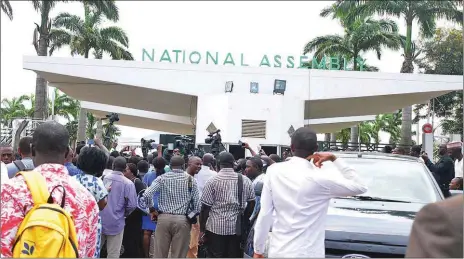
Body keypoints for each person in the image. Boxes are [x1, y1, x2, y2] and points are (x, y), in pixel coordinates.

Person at [253, 127, 368, 258]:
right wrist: (334, 158)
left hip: (280, 252)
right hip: (308, 253)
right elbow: (360, 186)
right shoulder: (321, 178)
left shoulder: (273, 171)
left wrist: (258, 250)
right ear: (316, 148)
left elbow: (265, 214)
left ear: (291, 147)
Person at [0, 121, 99, 258]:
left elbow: (3, 248)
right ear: (67, 153)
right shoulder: (87, 199)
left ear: (33, 150)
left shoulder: (11, 191)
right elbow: (89, 254)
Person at [199, 152, 256, 258]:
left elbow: (205, 208)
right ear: (233, 164)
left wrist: (202, 229)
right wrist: (245, 218)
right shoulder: (245, 180)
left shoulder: (212, 181)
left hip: (215, 228)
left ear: (218, 163)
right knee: (234, 255)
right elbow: (252, 203)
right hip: (237, 228)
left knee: (216, 255)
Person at [143, 155, 201, 258]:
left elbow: (147, 194)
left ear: (169, 166)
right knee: (178, 255)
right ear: (183, 166)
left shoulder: (162, 178)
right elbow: (197, 206)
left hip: (163, 219)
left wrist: (152, 210)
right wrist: (190, 217)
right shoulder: (191, 180)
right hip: (182, 220)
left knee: (160, 254)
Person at [74, 146, 109, 258]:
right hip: (91, 223)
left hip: (73, 221)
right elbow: (102, 205)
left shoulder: (73, 179)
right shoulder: (97, 182)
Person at [100, 156, 138, 258]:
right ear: (125, 168)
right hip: (117, 222)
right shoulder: (128, 183)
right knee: (113, 253)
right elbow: (132, 205)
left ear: (113, 165)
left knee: (94, 250)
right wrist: (124, 214)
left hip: (101, 220)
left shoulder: (103, 179)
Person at [141, 156, 166, 258]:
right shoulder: (167, 176)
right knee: (161, 234)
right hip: (163, 205)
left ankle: (146, 256)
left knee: (147, 233)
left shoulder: (148, 175)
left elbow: (144, 190)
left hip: (150, 205)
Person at [121, 163, 146, 258]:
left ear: (132, 172)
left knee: (133, 237)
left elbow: (142, 198)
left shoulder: (137, 182)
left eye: (126, 170)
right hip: (127, 215)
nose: (124, 172)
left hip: (134, 216)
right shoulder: (125, 182)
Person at [185, 156, 203, 258]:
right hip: (190, 217)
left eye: (201, 164)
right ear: (189, 164)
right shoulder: (188, 179)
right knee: (191, 247)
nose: (199, 166)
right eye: (197, 164)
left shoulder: (193, 178)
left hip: (191, 216)